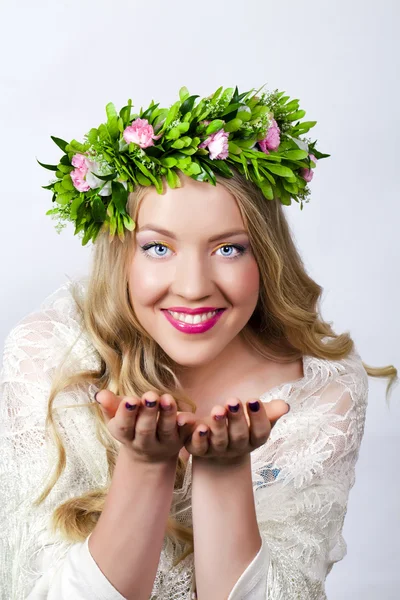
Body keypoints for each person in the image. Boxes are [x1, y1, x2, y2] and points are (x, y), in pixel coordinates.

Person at [0, 85, 396, 600]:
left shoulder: (321, 394)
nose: (192, 285)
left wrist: (225, 472)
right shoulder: (48, 354)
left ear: (267, 256)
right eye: (158, 247)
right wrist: (145, 468)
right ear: (121, 254)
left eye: (228, 248)